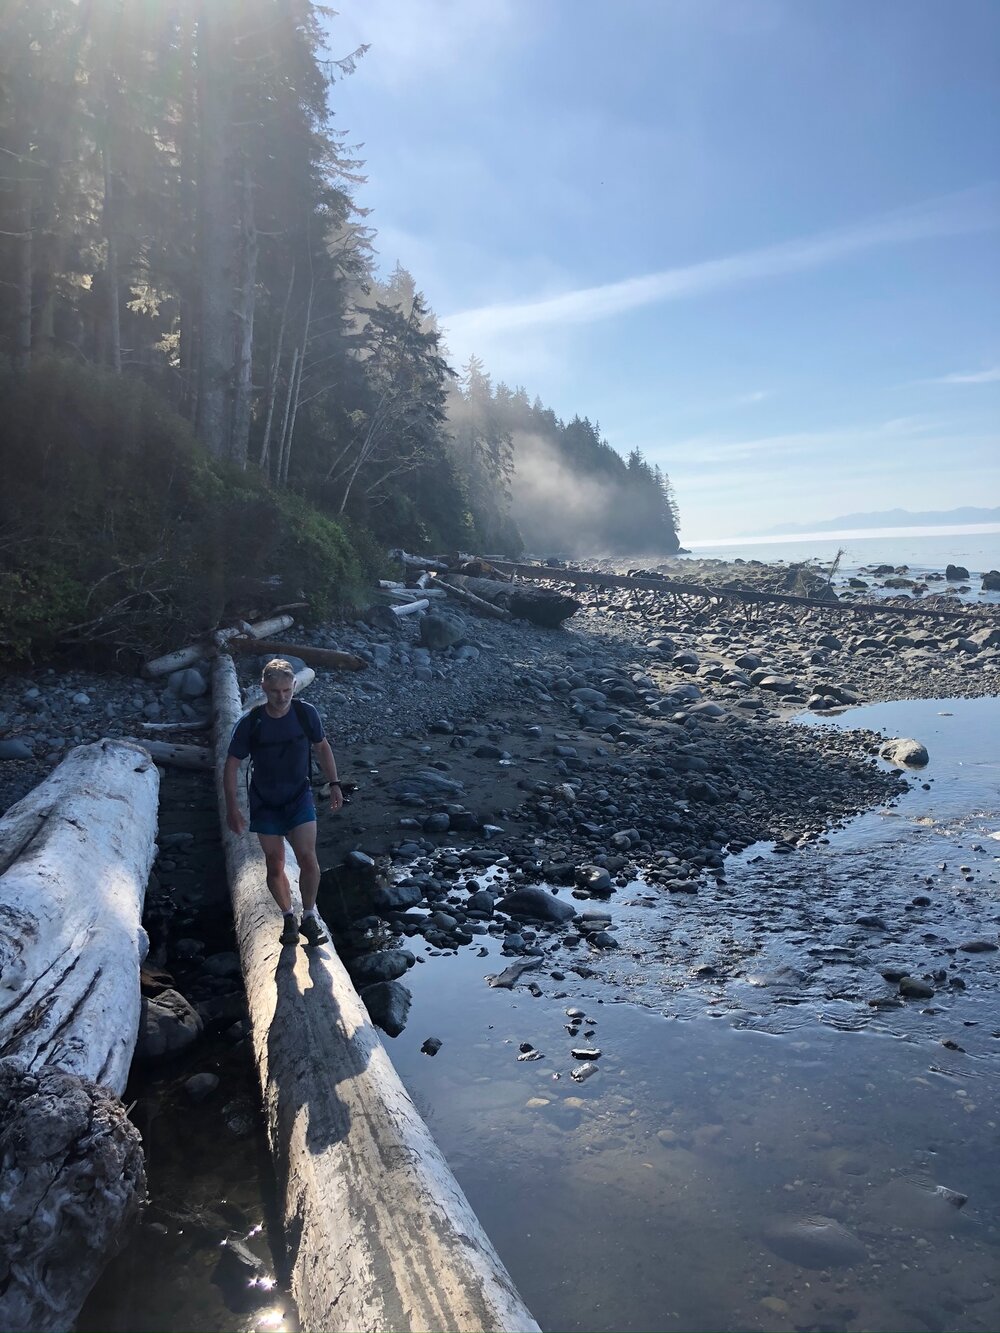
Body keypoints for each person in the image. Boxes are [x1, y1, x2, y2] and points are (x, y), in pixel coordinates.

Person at [223, 659, 343, 946]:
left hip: (299, 796)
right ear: (264, 687)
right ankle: (288, 916)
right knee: (274, 863)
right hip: (265, 801)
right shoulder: (252, 723)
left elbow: (322, 746)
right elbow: (231, 765)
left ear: (294, 687)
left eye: (287, 690)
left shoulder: (305, 714)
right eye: (275, 691)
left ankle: (310, 916)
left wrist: (335, 783)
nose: (282, 697)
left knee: (307, 857)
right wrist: (232, 808)